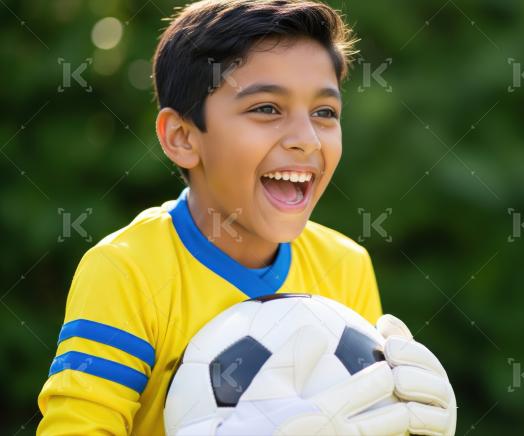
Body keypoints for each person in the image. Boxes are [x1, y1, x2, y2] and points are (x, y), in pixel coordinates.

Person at [36, 1, 456, 434]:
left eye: (324, 113)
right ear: (182, 137)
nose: (306, 140)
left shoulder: (345, 266)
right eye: (267, 109)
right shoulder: (126, 272)